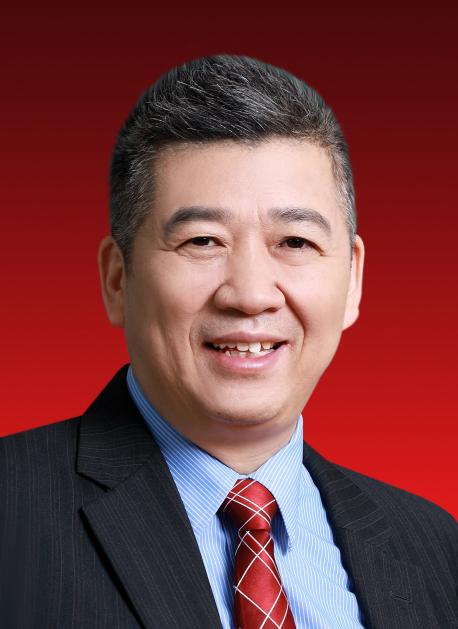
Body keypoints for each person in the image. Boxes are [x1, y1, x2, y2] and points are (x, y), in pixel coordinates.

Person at [0, 55, 456, 629]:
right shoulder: (12, 512)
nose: (250, 294)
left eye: (294, 242)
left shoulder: (434, 547)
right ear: (117, 279)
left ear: (353, 280)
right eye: (202, 241)